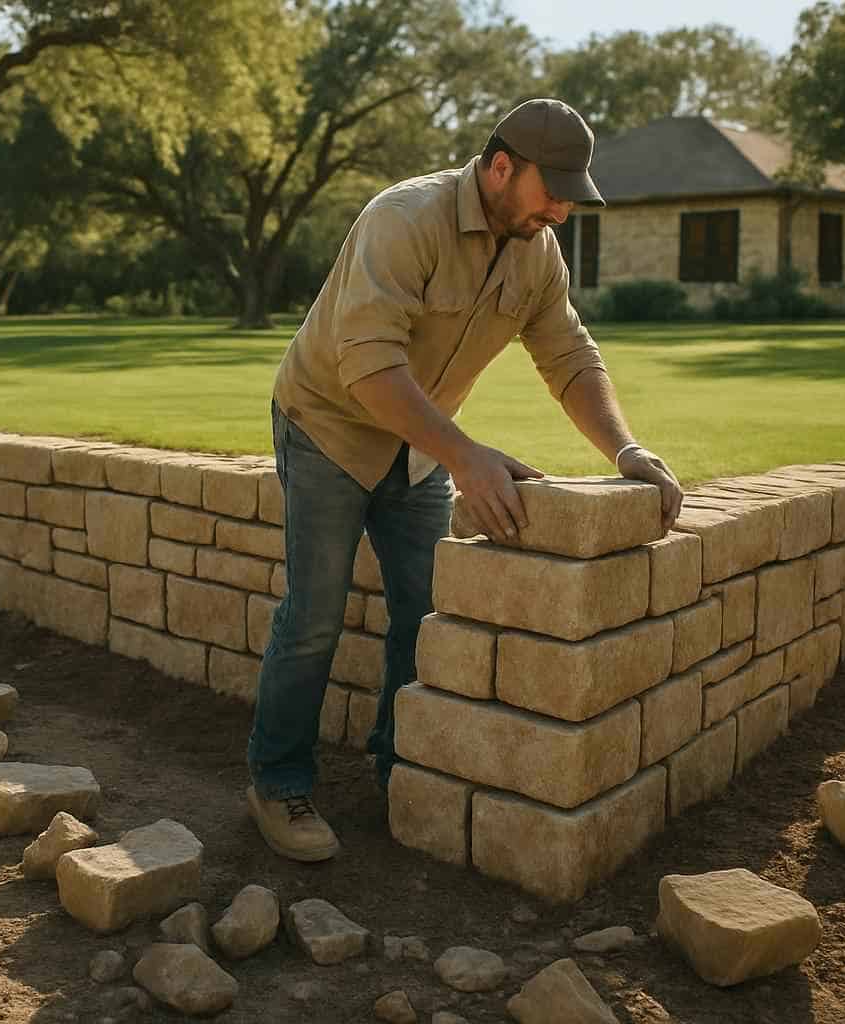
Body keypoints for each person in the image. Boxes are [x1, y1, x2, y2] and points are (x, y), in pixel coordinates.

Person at [245, 98, 685, 863]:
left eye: (573, 193)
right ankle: (277, 781)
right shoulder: (403, 220)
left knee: (424, 614)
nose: (562, 208)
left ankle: (399, 771)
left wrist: (626, 450)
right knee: (315, 613)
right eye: (553, 190)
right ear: (501, 166)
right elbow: (369, 368)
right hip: (329, 427)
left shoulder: (537, 251)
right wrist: (467, 456)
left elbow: (569, 358)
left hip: (417, 448)